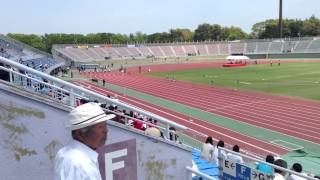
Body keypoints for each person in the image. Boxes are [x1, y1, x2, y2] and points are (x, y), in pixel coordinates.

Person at [54, 103, 116, 180]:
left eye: (105, 125)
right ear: (80, 134)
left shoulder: (63, 152)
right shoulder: (84, 166)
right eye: (100, 127)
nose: (106, 130)